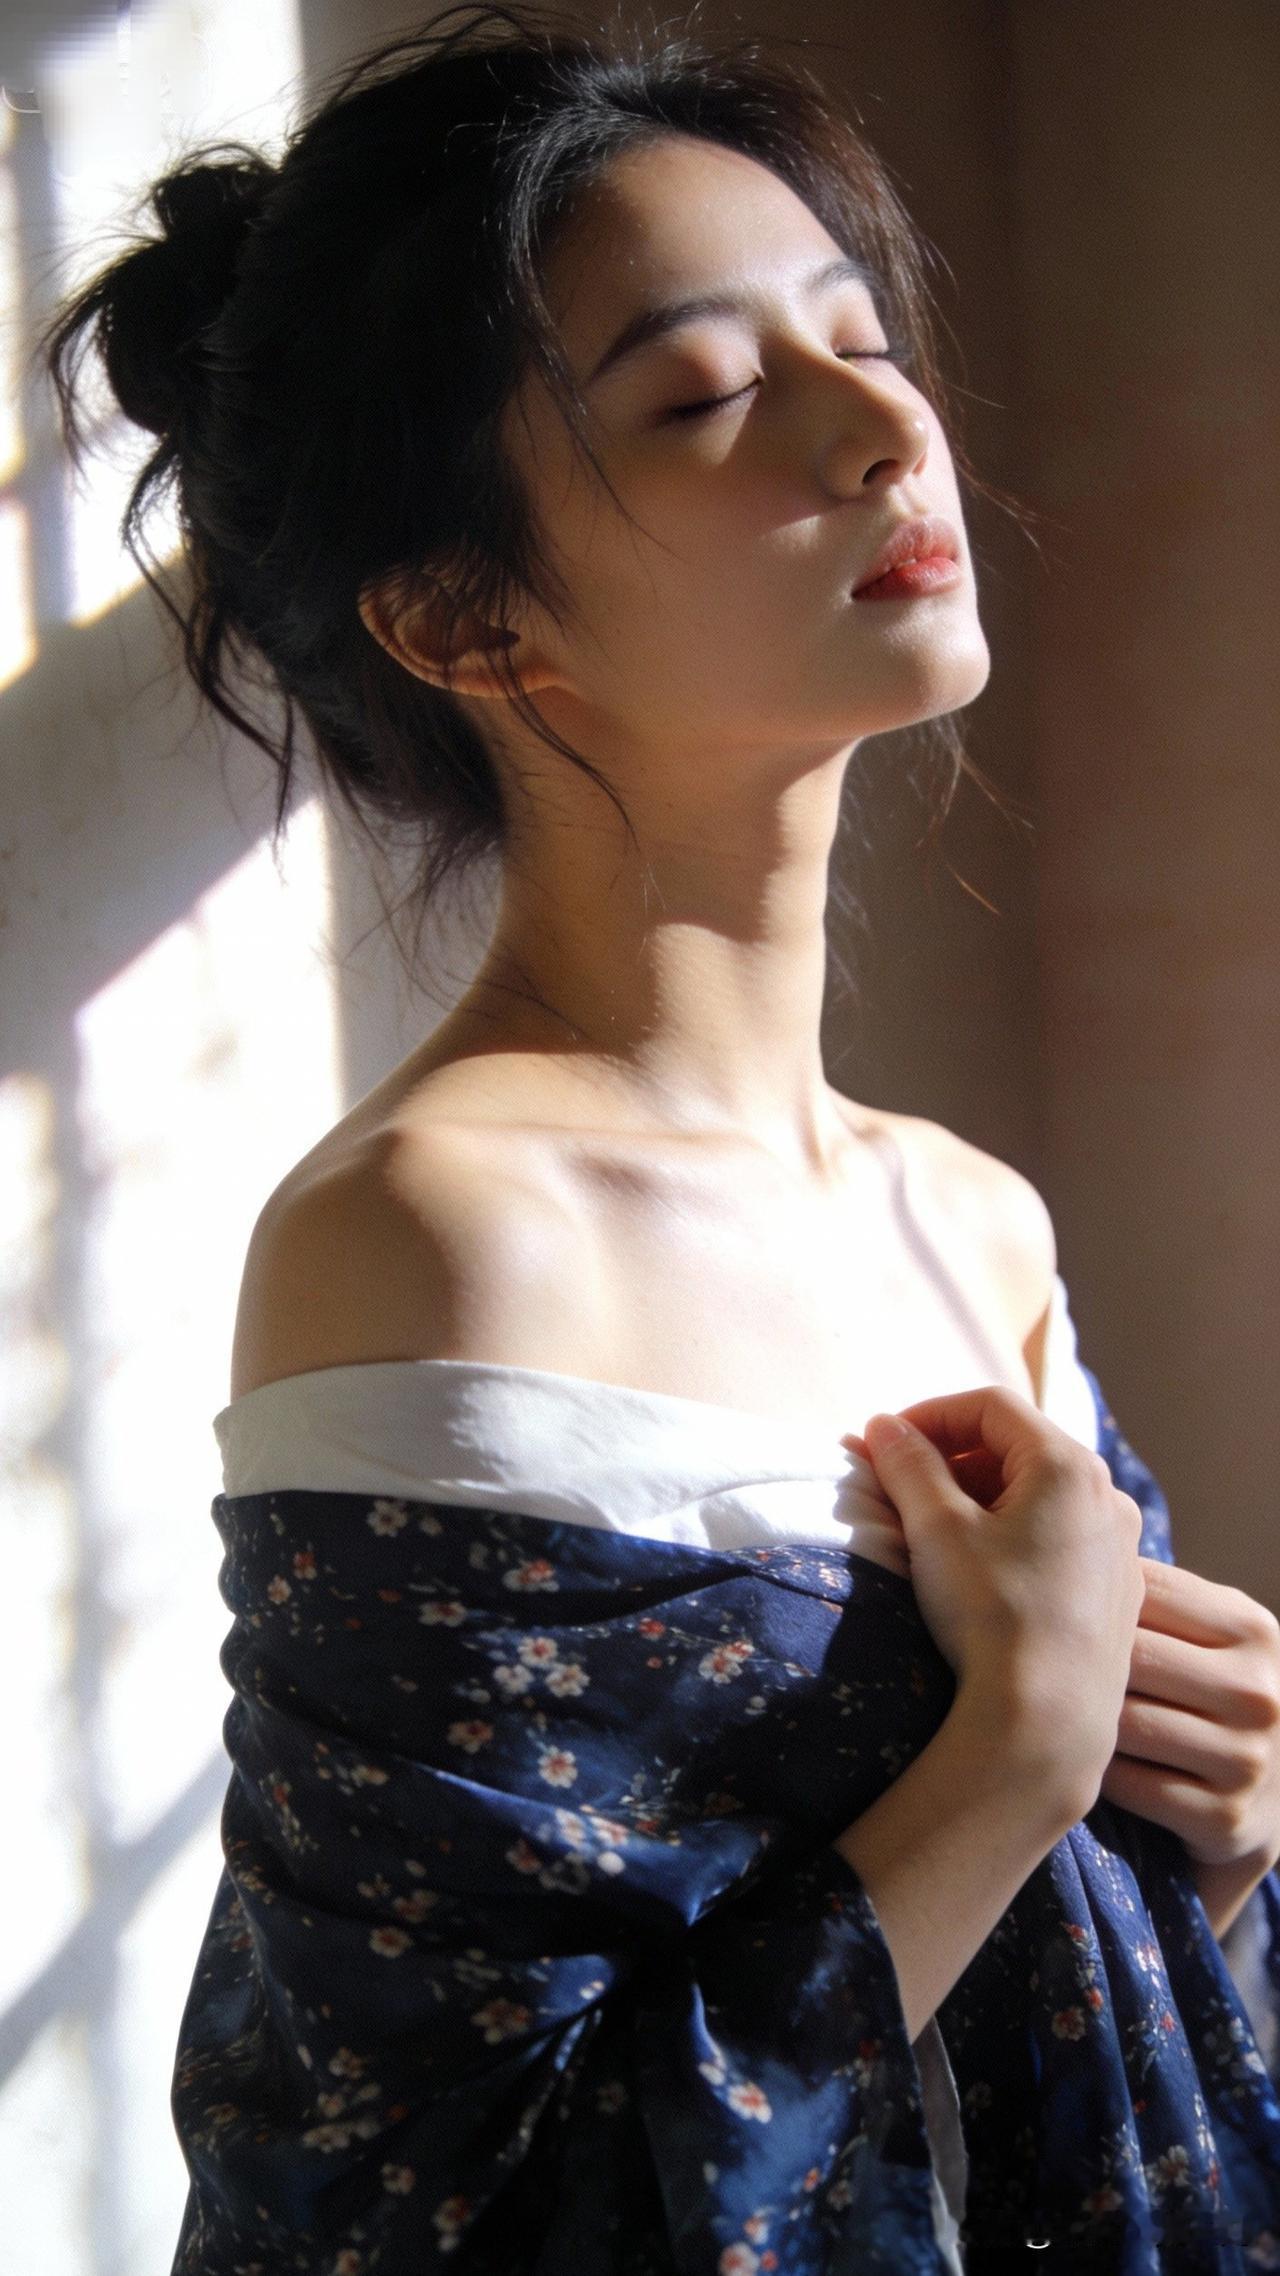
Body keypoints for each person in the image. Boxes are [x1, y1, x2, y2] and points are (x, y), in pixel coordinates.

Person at [36, 7, 1280, 2270]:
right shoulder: (439, 1235)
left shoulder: (969, 1215)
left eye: (861, 336)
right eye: (703, 395)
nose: (881, 421)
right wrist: (1016, 1747)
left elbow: (1045, 2040)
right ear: (463, 618)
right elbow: (437, 2213)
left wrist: (1205, 1838)